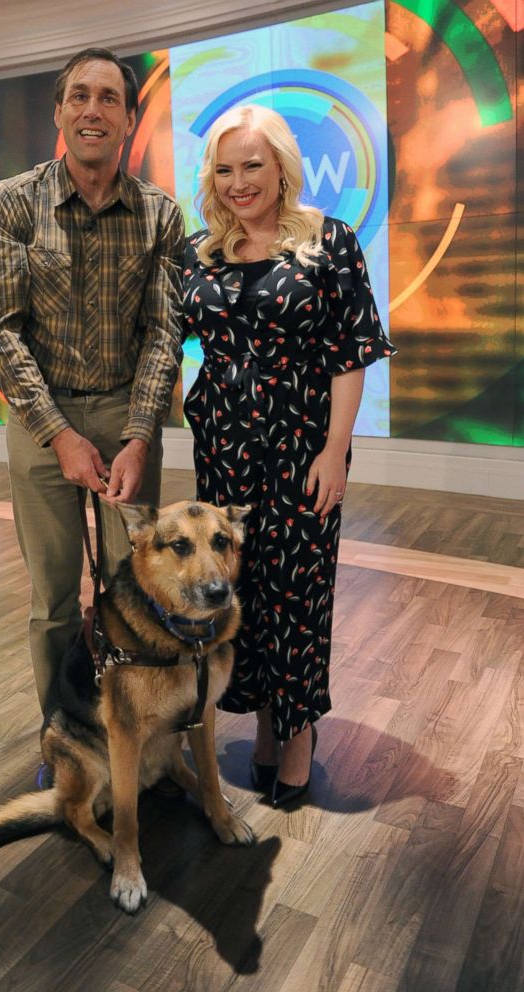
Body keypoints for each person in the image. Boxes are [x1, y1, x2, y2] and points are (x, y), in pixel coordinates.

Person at [182, 104, 396, 808]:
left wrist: (336, 451)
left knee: (298, 594)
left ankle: (299, 732)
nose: (238, 182)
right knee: (243, 592)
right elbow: (160, 340)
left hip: (303, 449)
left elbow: (351, 352)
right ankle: (267, 725)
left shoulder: (326, 242)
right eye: (224, 168)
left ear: (280, 168)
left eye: (252, 165)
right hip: (222, 454)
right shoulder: (198, 252)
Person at [0, 48, 184, 717]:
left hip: (128, 417)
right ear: (60, 111)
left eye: (108, 99)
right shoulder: (12, 204)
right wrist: (59, 434)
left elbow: (162, 335)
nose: (92, 109)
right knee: (54, 598)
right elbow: (0, 330)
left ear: (128, 118)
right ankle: (62, 734)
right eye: (79, 96)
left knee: (138, 590)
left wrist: (138, 437)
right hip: (42, 423)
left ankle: (139, 735)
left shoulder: (160, 215)